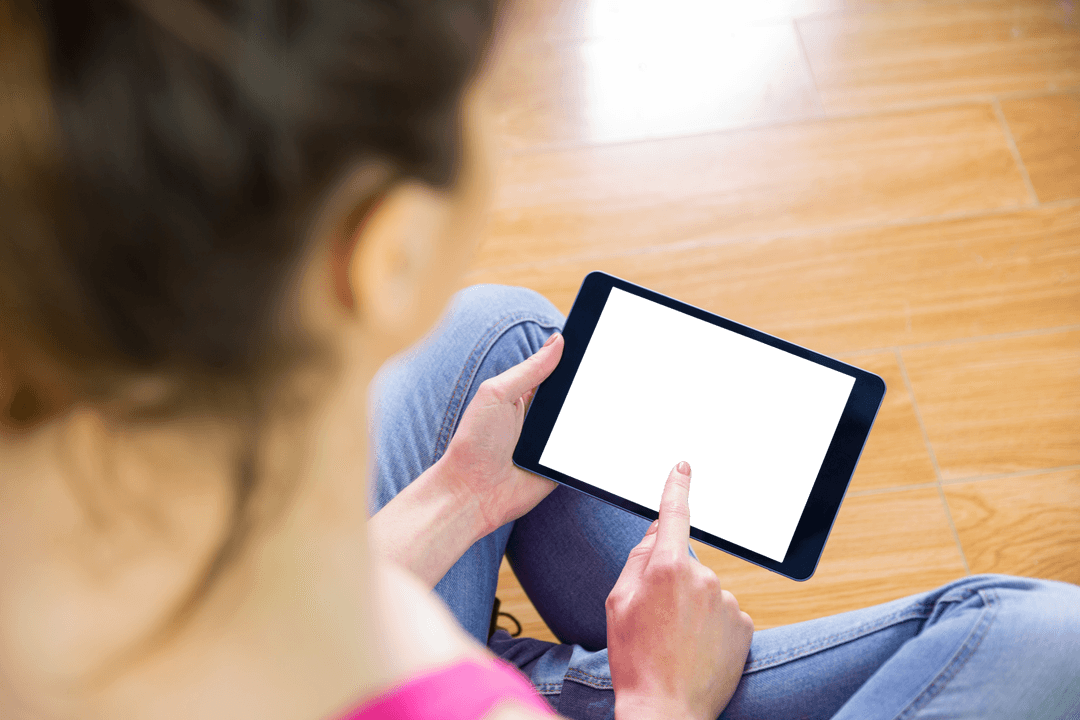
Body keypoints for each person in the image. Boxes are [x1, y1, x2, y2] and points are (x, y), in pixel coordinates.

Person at [1, 1, 1077, 719]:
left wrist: (460, 496)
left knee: (506, 340)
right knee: (1041, 640)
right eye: (481, 101)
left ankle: (634, 649)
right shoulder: (416, 675)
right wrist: (662, 698)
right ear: (382, 251)